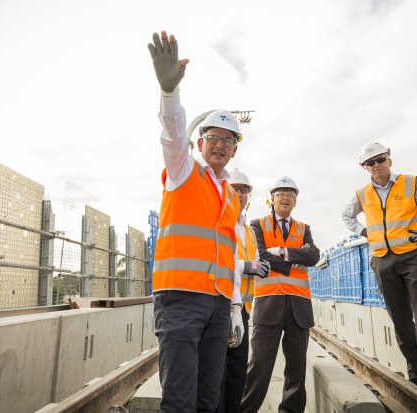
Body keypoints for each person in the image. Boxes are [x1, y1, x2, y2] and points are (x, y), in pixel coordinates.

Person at [148, 31, 246, 412]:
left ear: (235, 148)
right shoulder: (184, 171)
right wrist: (169, 92)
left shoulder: (229, 195)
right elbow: (173, 134)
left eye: (228, 140)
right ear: (200, 142)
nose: (219, 144)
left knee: (210, 399)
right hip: (181, 299)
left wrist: (235, 307)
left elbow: (231, 255)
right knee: (180, 400)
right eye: (212, 137)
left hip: (219, 305)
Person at [342, 141, 417, 404]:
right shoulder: (362, 194)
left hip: (413, 257)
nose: (376, 165)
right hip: (382, 261)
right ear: (364, 167)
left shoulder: (411, 183)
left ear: (389, 160)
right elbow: (347, 216)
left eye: (380, 159)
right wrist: (367, 233)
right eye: (370, 163)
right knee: (400, 321)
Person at [240, 177, 320, 413]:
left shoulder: (303, 229)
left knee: (296, 372)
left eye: (290, 194)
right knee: (259, 369)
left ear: (295, 201)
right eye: (280, 193)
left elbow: (314, 256)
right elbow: (260, 254)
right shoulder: (258, 225)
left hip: (299, 307)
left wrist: (283, 252)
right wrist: (293, 261)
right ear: (271, 199)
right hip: (268, 305)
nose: (285, 197)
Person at [218, 169, 271, 413]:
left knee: (237, 375)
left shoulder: (247, 230)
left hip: (243, 310)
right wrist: (247, 266)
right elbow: (220, 260)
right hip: (221, 306)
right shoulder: (218, 220)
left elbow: (255, 259)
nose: (239, 193)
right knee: (218, 375)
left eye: (244, 190)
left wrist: (260, 266)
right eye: (235, 188)